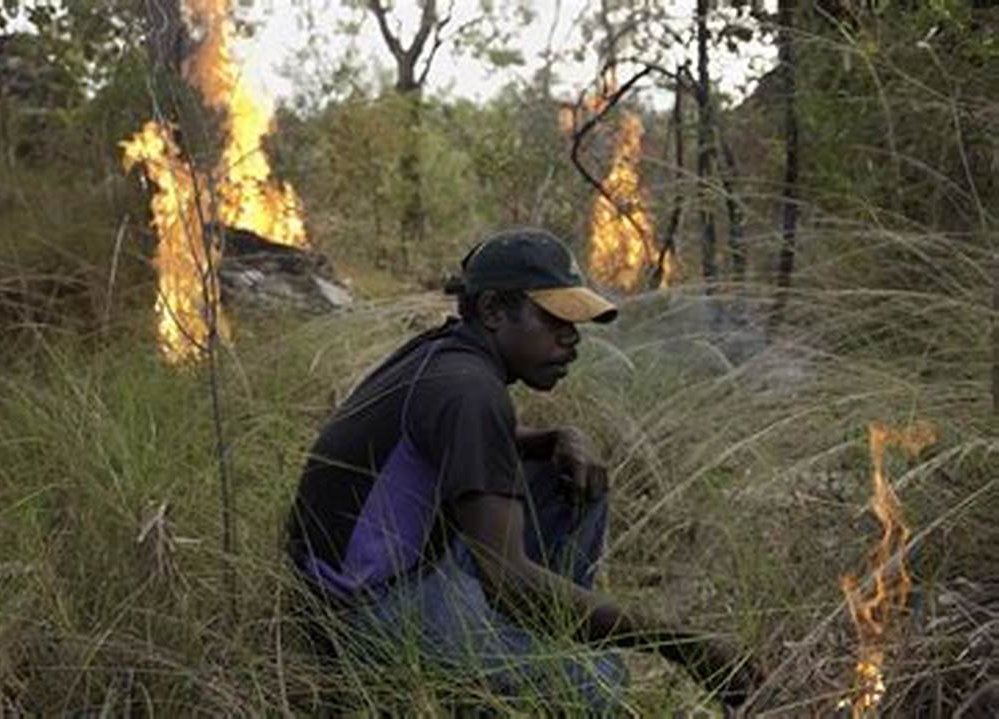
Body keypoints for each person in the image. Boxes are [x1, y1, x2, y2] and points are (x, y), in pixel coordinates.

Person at [285, 227, 760, 713]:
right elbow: (508, 579)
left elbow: (443, 441)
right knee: (595, 683)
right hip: (365, 613)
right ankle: (508, 670)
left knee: (570, 481)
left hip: (378, 576)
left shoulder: (446, 356)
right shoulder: (469, 390)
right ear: (493, 310)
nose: (571, 338)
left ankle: (527, 641)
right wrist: (683, 645)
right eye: (554, 319)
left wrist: (552, 438)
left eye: (575, 324)